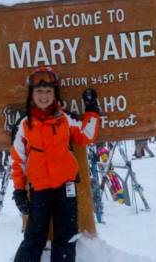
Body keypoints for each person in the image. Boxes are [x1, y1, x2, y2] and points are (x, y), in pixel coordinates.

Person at [11, 67, 100, 262]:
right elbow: (18, 161)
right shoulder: (24, 125)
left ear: (55, 94)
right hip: (39, 190)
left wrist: (92, 110)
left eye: (48, 91)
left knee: (66, 238)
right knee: (34, 238)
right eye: (40, 92)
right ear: (32, 95)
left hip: (66, 188)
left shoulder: (64, 119)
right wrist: (19, 191)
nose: (44, 96)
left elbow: (85, 136)